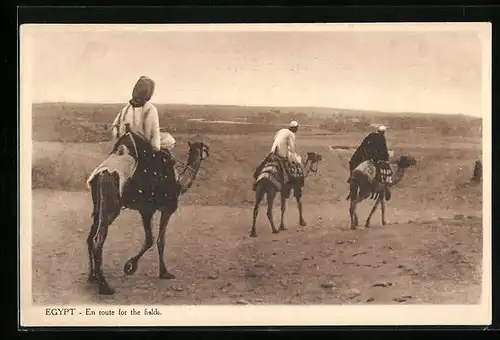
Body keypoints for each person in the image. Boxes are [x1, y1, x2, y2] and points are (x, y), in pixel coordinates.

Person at [111, 76, 178, 180]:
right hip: (142, 146)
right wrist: (155, 148)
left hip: (125, 143)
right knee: (169, 140)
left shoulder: (126, 108)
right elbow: (153, 141)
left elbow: (115, 128)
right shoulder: (150, 109)